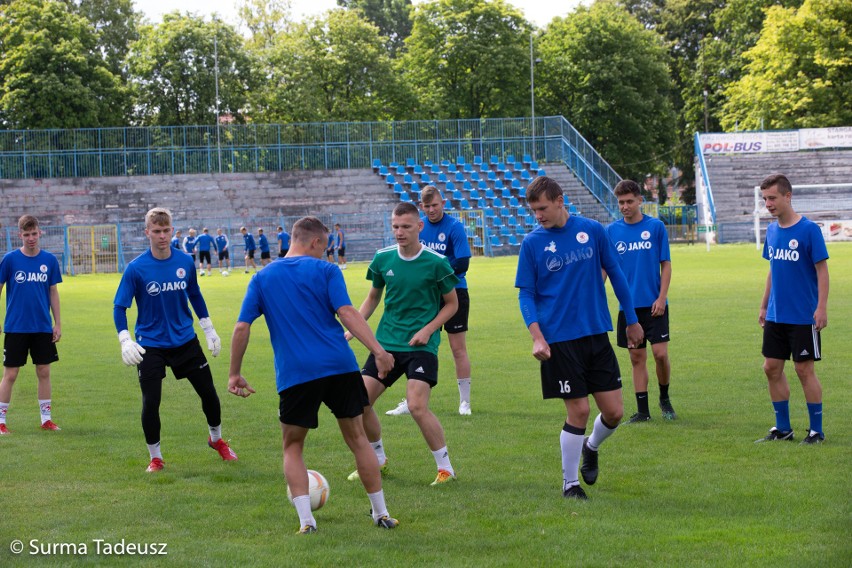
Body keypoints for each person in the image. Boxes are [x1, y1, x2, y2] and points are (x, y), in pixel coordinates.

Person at [229, 217, 399, 534]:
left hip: (296, 375)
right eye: (326, 246)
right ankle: (381, 514)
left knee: (293, 447)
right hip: (339, 366)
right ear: (315, 242)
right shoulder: (326, 271)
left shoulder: (262, 278)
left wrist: (234, 373)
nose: (326, 252)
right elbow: (347, 312)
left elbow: (241, 327)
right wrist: (378, 351)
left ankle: (307, 522)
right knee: (358, 438)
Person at [515, 176, 642, 500]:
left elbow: (616, 274)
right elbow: (526, 295)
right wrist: (537, 336)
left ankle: (591, 446)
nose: (538, 215)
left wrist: (631, 319)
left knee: (614, 412)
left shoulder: (593, 231)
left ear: (560, 200)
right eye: (533, 210)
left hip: (596, 334)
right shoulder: (532, 243)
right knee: (579, 411)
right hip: (559, 340)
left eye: (542, 208)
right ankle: (570, 484)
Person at [113, 207, 238, 472]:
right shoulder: (136, 269)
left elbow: (195, 294)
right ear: (147, 232)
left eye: (165, 230)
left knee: (209, 394)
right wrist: (125, 339)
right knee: (151, 402)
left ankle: (216, 440)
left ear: (172, 231)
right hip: (150, 345)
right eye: (156, 231)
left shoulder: (184, 262)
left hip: (185, 340)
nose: (161, 236)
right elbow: (119, 307)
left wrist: (209, 328)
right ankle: (155, 457)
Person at [347, 202, 460, 486]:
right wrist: (354, 327)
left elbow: (452, 304)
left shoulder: (436, 262)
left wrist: (429, 329)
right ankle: (378, 460)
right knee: (359, 403)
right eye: (395, 226)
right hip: (385, 345)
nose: (399, 232)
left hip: (421, 346)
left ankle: (445, 468)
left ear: (419, 227)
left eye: (406, 227)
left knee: (416, 406)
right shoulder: (383, 259)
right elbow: (373, 297)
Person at [386, 186, 473, 417]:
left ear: (443, 203)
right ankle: (411, 400)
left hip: (454, 292)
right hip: (424, 295)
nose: (431, 210)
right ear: (421, 207)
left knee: (457, 349)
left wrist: (438, 276)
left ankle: (465, 402)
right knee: (413, 345)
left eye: (435, 205)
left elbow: (463, 262)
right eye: (427, 206)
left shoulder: (454, 227)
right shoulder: (418, 227)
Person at [756, 173, 829, 445]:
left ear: (788, 196)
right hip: (776, 314)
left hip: (803, 315)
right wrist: (764, 305)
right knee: (771, 367)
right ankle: (783, 428)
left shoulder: (809, 230)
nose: (768, 203)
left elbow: (822, 271)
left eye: (772, 198)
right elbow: (772, 271)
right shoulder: (772, 231)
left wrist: (821, 308)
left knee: (803, 370)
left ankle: (816, 431)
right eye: (765, 199)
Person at [605, 180, 676, 423]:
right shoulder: (611, 231)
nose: (624, 206)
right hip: (628, 306)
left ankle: (664, 398)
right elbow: (606, 267)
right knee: (637, 357)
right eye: (620, 203)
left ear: (639, 201)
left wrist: (662, 297)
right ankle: (643, 412)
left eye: (629, 202)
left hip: (655, 304)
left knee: (660, 354)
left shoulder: (655, 227)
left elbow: (665, 264)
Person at [0, 215, 62, 434]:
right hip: (16, 327)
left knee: (44, 371)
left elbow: (53, 292)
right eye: (26, 235)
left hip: (42, 327)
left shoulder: (50, 261)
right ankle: (0, 420)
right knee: (11, 374)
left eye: (34, 233)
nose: (31, 238)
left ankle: (46, 419)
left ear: (40, 233)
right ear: (20, 236)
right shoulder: (9, 260)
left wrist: (58, 323)